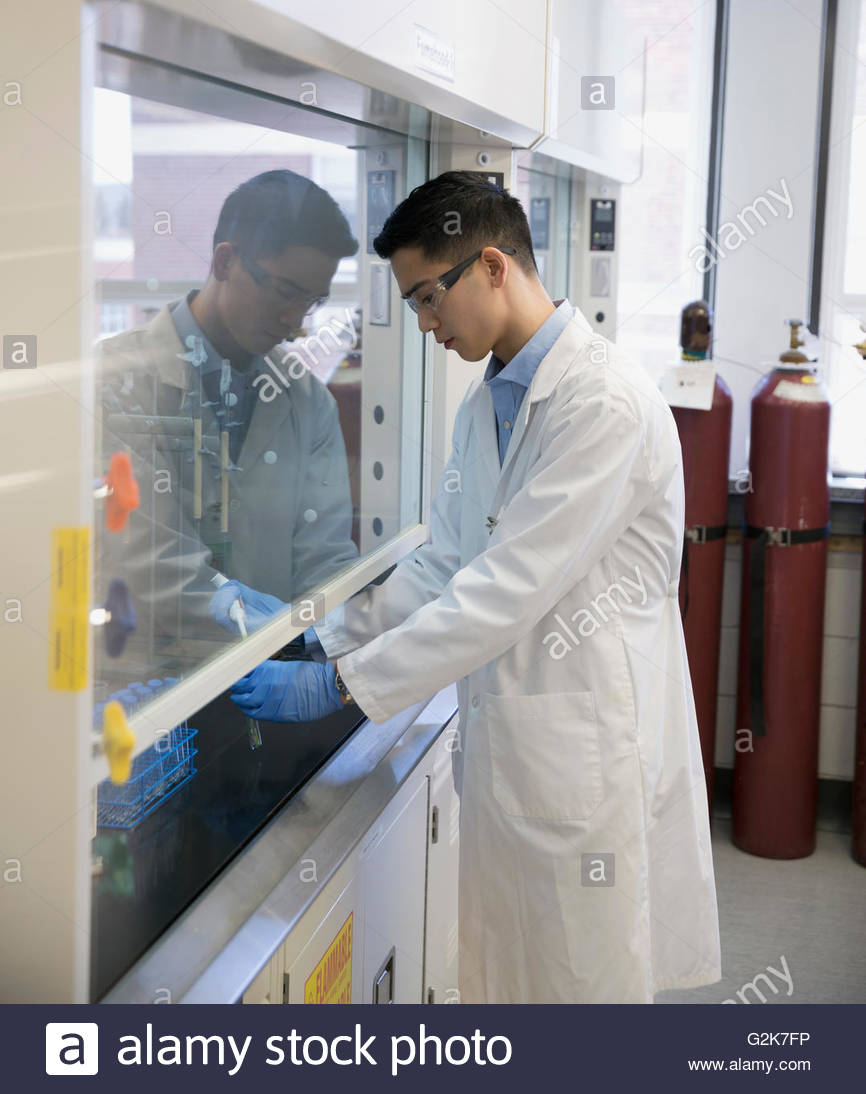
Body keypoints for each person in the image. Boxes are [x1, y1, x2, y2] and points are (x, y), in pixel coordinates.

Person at [214, 171, 721, 1003]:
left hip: (583, 763)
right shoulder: (486, 405)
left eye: (426, 298)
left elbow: (503, 592)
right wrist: (325, 635)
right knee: (509, 983)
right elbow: (443, 565)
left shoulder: (603, 404)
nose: (423, 325)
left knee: (581, 993)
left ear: (492, 266)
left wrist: (338, 686)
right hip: (514, 755)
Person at [98, 170, 359, 659]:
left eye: (312, 302)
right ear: (224, 260)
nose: (295, 322)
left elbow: (326, 559)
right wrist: (272, 632)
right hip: (149, 682)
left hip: (276, 677)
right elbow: (153, 559)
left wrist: (327, 646)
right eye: (285, 292)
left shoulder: (308, 401)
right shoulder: (115, 383)